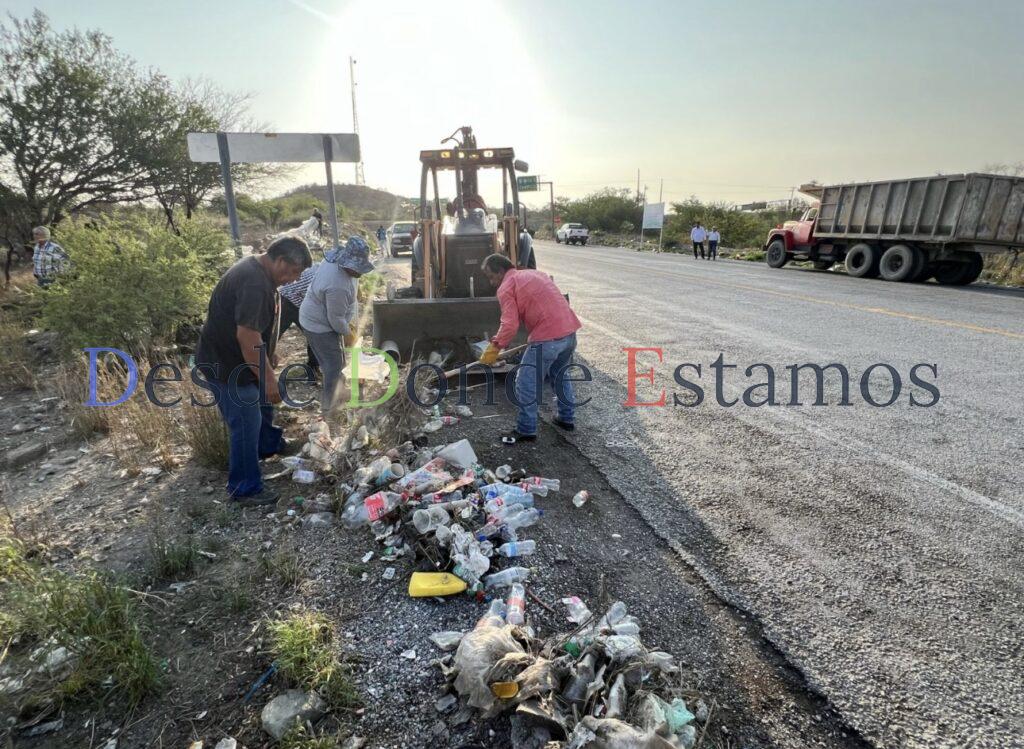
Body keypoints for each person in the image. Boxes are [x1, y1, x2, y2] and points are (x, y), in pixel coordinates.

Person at [195, 236, 312, 506]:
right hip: (227, 365)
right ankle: (244, 488)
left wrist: (268, 355)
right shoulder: (255, 283)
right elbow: (248, 336)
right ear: (280, 261)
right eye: (293, 272)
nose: (293, 280)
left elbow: (255, 330)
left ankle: (268, 445)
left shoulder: (257, 271)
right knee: (246, 421)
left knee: (262, 406)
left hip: (240, 360)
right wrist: (269, 378)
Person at [478, 254, 582, 445]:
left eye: (490, 276)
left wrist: (493, 350)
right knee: (560, 375)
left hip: (547, 338)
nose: (491, 282)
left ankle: (526, 429)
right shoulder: (537, 274)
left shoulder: (506, 287)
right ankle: (566, 419)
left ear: (501, 271)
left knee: (525, 382)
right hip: (569, 333)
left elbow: (509, 326)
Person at [300, 236, 374, 414]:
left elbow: (342, 308)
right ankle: (329, 408)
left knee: (336, 360)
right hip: (319, 325)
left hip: (319, 317)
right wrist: (348, 333)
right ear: (348, 264)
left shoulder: (336, 260)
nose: (360, 273)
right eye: (358, 269)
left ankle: (339, 393)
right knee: (333, 365)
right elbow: (335, 319)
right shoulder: (337, 285)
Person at [278, 264, 320, 374]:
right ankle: (258, 362)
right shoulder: (322, 279)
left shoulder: (321, 268)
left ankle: (313, 367)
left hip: (297, 300)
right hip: (286, 299)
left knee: (313, 334)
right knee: (274, 334)